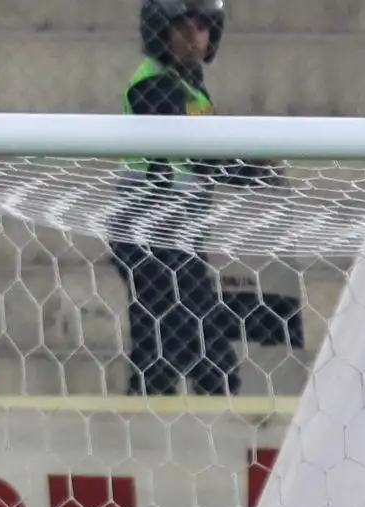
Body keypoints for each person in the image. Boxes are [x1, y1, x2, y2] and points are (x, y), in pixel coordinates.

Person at [110, 0, 269, 397]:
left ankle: (153, 414)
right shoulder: (154, 84)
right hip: (150, 236)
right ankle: (159, 423)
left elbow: (204, 156)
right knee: (188, 345)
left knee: (168, 345)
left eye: (202, 28)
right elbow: (198, 152)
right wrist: (251, 168)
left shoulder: (190, 84)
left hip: (178, 237)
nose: (194, 39)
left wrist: (248, 167)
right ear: (158, 31)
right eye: (182, 28)